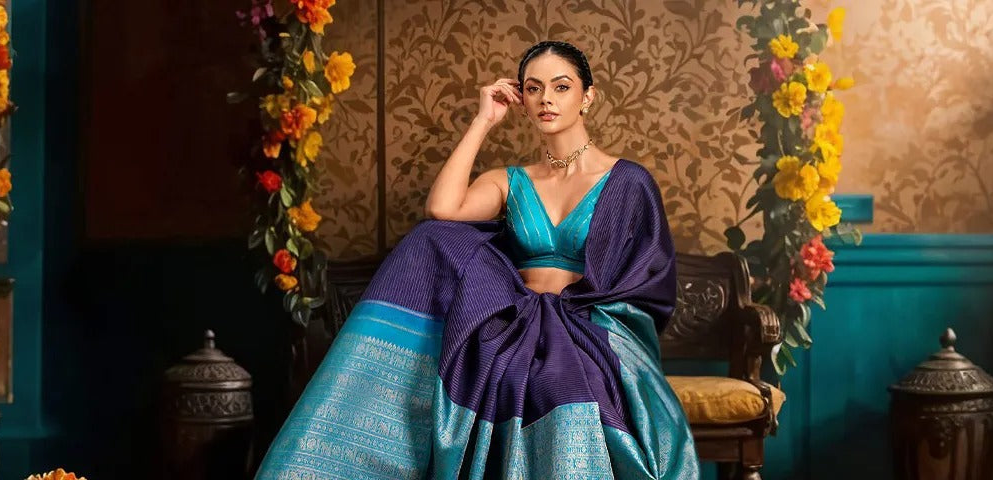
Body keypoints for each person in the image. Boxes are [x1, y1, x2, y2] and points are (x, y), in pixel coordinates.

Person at [254, 41, 699, 479]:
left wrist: (572, 319)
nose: (546, 99)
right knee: (432, 241)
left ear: (588, 96)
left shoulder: (627, 181)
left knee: (556, 381)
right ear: (519, 98)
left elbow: (645, 278)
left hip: (591, 324)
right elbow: (443, 212)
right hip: (516, 322)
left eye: (561, 87)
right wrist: (483, 120)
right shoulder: (510, 180)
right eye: (532, 88)